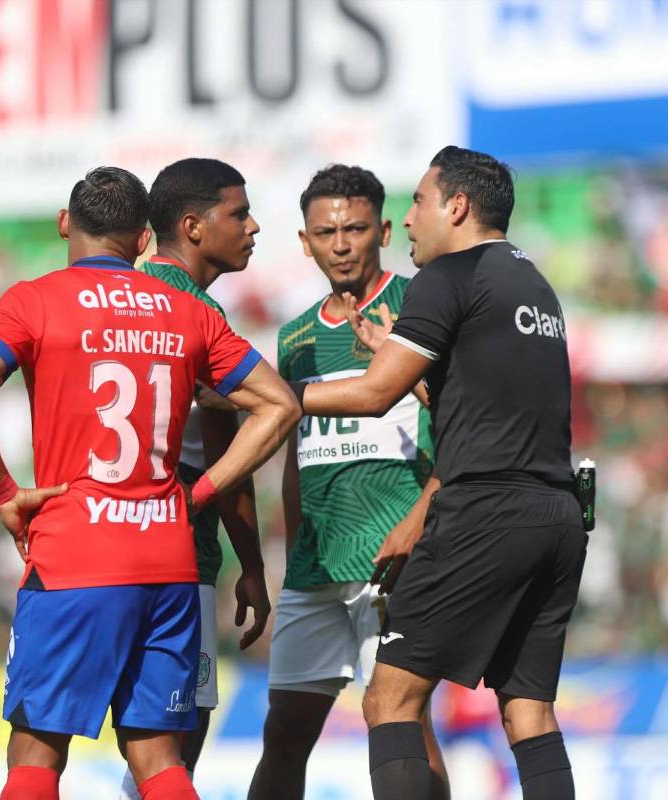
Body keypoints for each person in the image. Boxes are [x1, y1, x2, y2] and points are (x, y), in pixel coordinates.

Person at [0, 166, 300, 800]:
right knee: (161, 762)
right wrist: (201, 491)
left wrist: (3, 495)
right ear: (143, 239)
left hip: (76, 554)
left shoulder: (36, 299)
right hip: (169, 558)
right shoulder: (187, 311)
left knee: (34, 754)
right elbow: (278, 404)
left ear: (64, 223)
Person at [288, 146, 586, 800]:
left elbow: (371, 396)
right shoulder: (534, 286)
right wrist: (406, 368)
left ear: (456, 205)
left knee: (390, 701)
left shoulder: (449, 277)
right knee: (528, 711)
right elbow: (479, 406)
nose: (411, 218)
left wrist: (274, 396)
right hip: (558, 516)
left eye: (419, 202)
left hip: (484, 512)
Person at [248, 164, 448, 800]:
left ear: (383, 230)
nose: (341, 243)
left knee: (403, 724)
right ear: (304, 242)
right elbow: (293, 454)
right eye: (325, 231)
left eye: (356, 227)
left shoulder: (421, 306)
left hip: (395, 559)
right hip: (315, 567)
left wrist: (422, 523)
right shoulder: (296, 335)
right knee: (284, 732)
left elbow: (462, 426)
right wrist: (284, 554)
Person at [114, 157, 272, 799]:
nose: (254, 226)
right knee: (175, 749)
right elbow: (246, 433)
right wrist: (250, 565)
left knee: (55, 745)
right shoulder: (196, 319)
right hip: (175, 552)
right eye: (239, 213)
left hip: (89, 549)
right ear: (193, 226)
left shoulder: (117, 295)